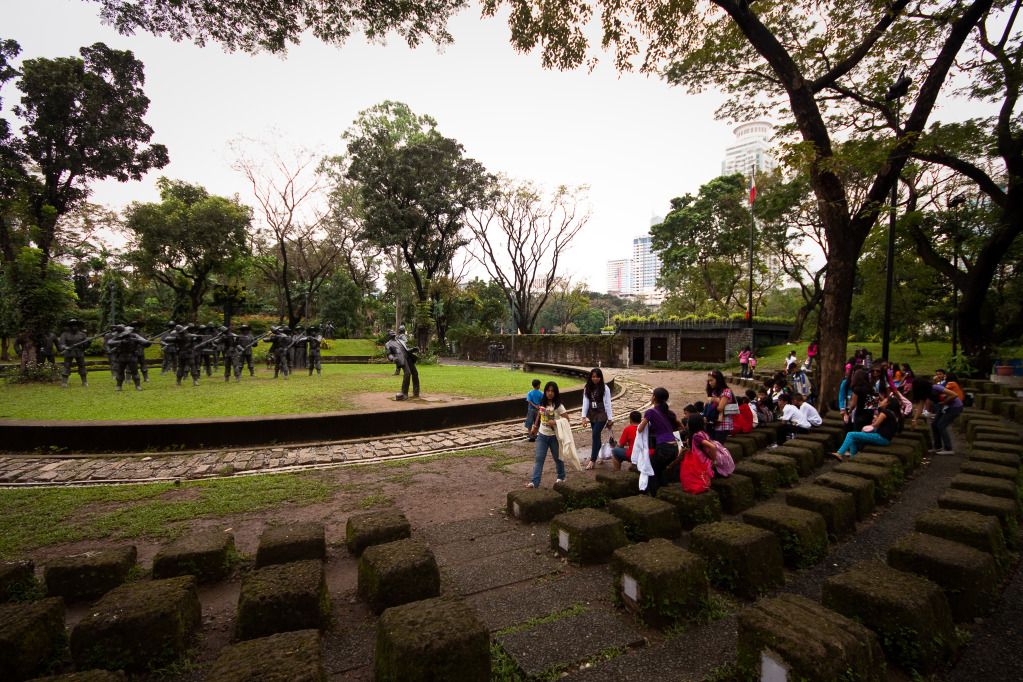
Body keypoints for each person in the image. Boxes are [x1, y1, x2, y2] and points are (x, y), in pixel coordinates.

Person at [637, 387, 682, 496]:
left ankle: (653, 495)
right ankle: (663, 490)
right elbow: (680, 426)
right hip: (674, 447)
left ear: (654, 398)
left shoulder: (650, 412)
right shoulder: (668, 412)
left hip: (663, 447)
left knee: (651, 470)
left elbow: (640, 428)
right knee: (660, 469)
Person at [831, 393, 899, 461]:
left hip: (880, 436)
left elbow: (875, 425)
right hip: (884, 437)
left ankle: (839, 453)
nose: (881, 401)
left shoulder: (885, 412)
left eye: (884, 400)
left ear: (888, 403)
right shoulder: (893, 413)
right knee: (854, 439)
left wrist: (848, 411)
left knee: (850, 434)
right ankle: (852, 458)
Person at [527, 381, 567, 488]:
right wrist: (535, 427)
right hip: (542, 435)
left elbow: (567, 419)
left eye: (552, 391)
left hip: (554, 436)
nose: (550, 393)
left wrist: (555, 422)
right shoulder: (542, 403)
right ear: (545, 392)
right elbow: (539, 415)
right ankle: (535, 482)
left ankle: (561, 477)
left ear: (555, 393)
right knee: (539, 458)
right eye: (548, 391)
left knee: (557, 458)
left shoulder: (559, 406)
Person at [910, 377, 963, 455]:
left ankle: (948, 449)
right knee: (934, 424)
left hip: (955, 407)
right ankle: (938, 447)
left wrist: (944, 402)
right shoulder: (924, 393)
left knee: (941, 425)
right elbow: (920, 407)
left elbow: (954, 395)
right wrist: (914, 420)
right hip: (944, 407)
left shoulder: (935, 387)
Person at [581, 367, 613, 470]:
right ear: (590, 377)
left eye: (597, 377)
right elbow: (585, 402)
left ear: (600, 377)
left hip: (602, 414)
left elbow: (608, 403)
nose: (595, 379)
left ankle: (592, 460)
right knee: (596, 436)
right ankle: (600, 456)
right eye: (593, 376)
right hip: (592, 414)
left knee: (595, 434)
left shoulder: (605, 388)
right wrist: (583, 417)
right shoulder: (587, 388)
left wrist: (610, 418)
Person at [681, 414, 717, 494]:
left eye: (688, 422)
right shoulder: (702, 433)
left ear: (692, 424)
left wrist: (714, 461)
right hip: (705, 459)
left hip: (701, 461)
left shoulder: (696, 436)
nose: (686, 424)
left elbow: (712, 447)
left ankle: (704, 486)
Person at [107, 326, 151, 391]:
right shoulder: (118, 337)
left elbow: (147, 344)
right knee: (120, 372)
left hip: (132, 356)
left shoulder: (135, 336)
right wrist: (121, 341)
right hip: (121, 356)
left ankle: (138, 386)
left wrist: (140, 341)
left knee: (135, 372)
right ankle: (119, 386)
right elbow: (110, 342)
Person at [705, 370, 736, 442]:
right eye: (708, 381)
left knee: (718, 447)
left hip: (722, 425)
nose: (710, 383)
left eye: (711, 380)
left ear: (718, 380)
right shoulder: (713, 391)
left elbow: (720, 408)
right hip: (713, 423)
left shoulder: (726, 391)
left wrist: (714, 400)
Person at [57, 319, 89, 387]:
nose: (74, 327)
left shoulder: (82, 334)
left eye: (76, 325)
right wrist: (65, 347)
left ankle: (84, 382)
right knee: (67, 366)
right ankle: (64, 382)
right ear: (70, 326)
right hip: (69, 352)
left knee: (82, 366)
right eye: (72, 325)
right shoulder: (65, 334)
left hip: (79, 352)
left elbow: (85, 346)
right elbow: (61, 344)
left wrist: (88, 342)